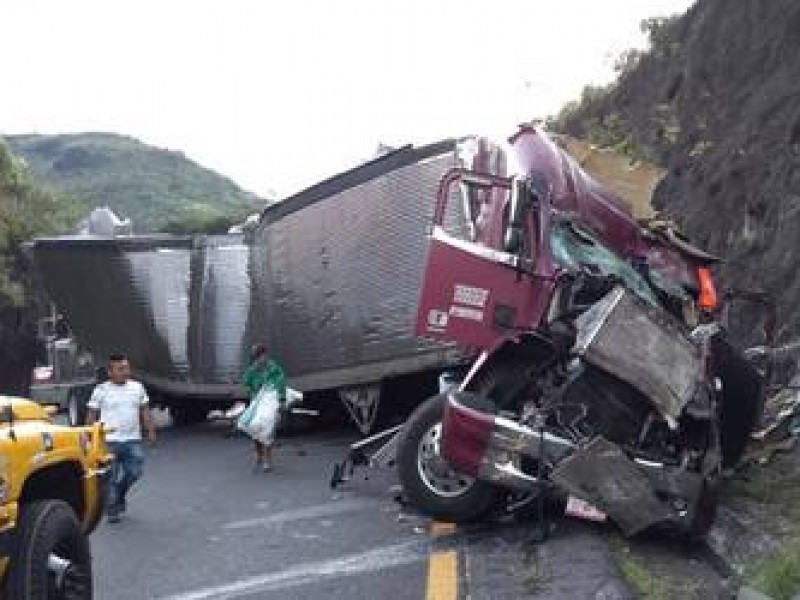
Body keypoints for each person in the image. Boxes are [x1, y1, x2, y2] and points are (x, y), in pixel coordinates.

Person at [86, 353, 156, 523]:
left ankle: (119, 493)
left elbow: (145, 410)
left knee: (135, 472)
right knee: (110, 477)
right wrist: (89, 437)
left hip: (132, 439)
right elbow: (91, 415)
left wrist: (151, 431)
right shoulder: (101, 390)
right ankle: (112, 509)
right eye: (120, 369)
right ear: (110, 372)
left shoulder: (137, 387)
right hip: (108, 442)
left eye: (126, 368)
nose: (125, 372)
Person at [242, 344, 286, 471]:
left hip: (269, 403)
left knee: (268, 431)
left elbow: (281, 382)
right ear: (256, 358)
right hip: (256, 404)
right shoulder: (251, 370)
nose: (264, 358)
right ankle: (258, 453)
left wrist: (281, 398)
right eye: (261, 356)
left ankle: (267, 459)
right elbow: (247, 385)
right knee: (255, 430)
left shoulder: (273, 368)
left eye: (265, 355)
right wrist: (253, 393)